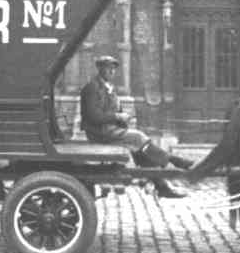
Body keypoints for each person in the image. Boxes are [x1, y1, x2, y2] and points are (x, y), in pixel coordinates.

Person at [80, 55, 191, 199]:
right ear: (100, 69)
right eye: (108, 69)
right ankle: (174, 161)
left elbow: (114, 111)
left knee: (141, 152)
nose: (111, 72)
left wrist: (122, 118)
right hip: (99, 132)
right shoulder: (92, 88)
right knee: (138, 137)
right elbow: (93, 115)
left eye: (113, 69)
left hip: (110, 130)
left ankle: (161, 185)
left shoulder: (109, 88)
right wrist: (117, 117)